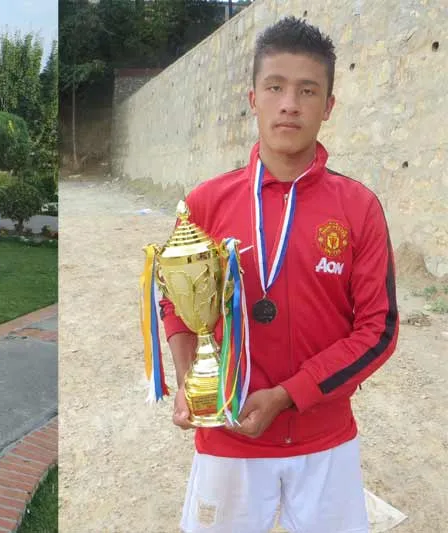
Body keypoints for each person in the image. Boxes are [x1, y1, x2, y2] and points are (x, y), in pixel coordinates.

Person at [160, 17, 399, 533]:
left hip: (325, 440)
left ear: (328, 107)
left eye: (307, 90)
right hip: (228, 437)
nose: (289, 103)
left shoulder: (359, 208)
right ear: (253, 98)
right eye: (275, 87)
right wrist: (189, 383)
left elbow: (378, 330)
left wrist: (290, 394)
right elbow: (176, 303)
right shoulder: (205, 202)